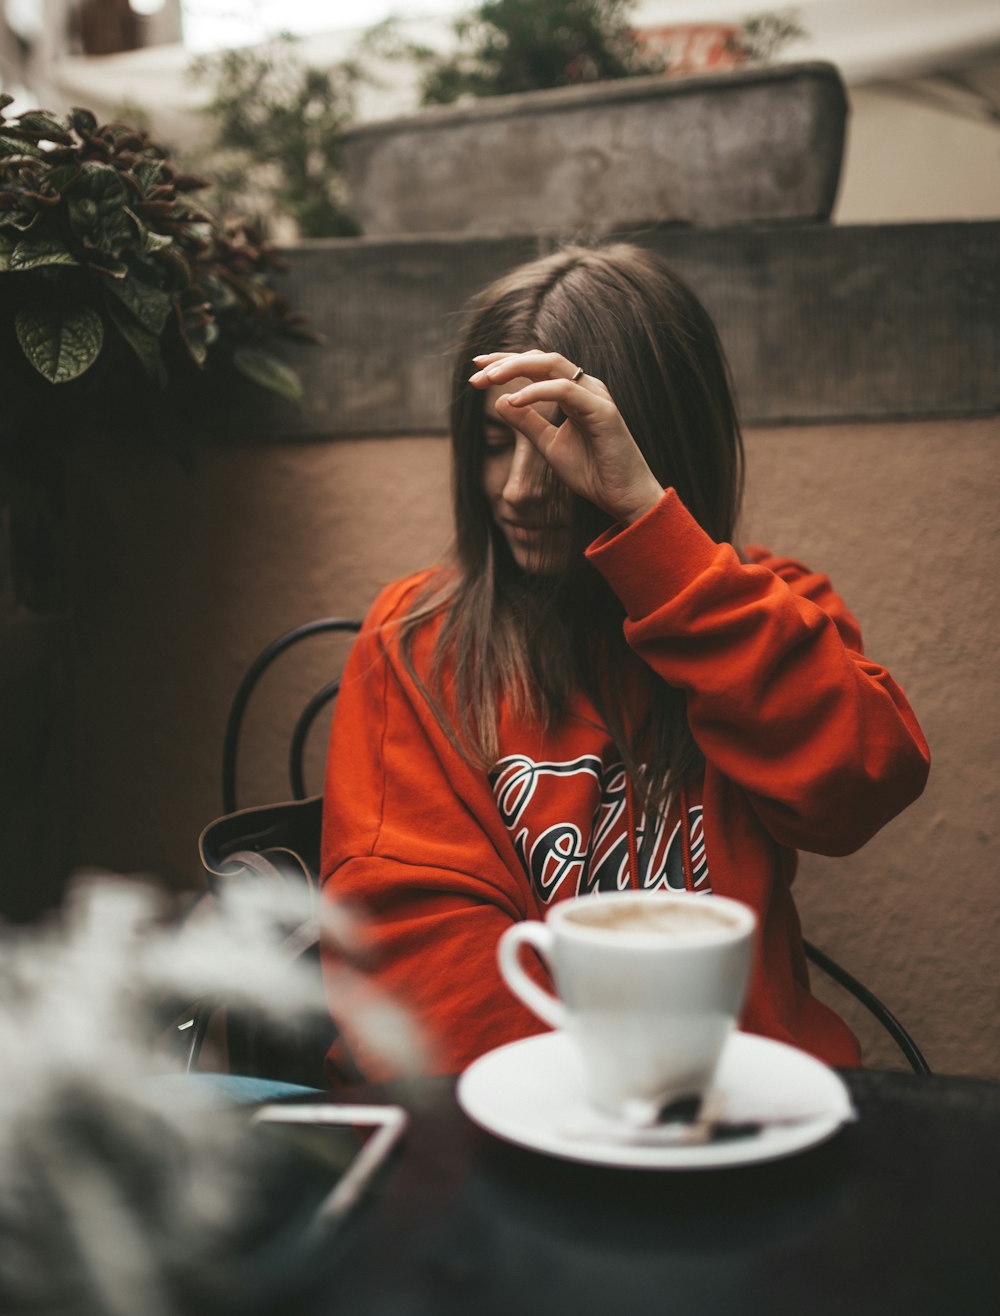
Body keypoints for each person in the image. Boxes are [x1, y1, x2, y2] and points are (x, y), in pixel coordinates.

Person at [320, 243, 930, 1081]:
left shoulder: (767, 605)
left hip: (747, 1112)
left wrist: (656, 540)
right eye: (497, 442)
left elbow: (860, 789)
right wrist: (598, 1129)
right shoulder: (419, 644)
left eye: (567, 445)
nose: (519, 491)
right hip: (519, 1126)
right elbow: (418, 952)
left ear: (656, 448)